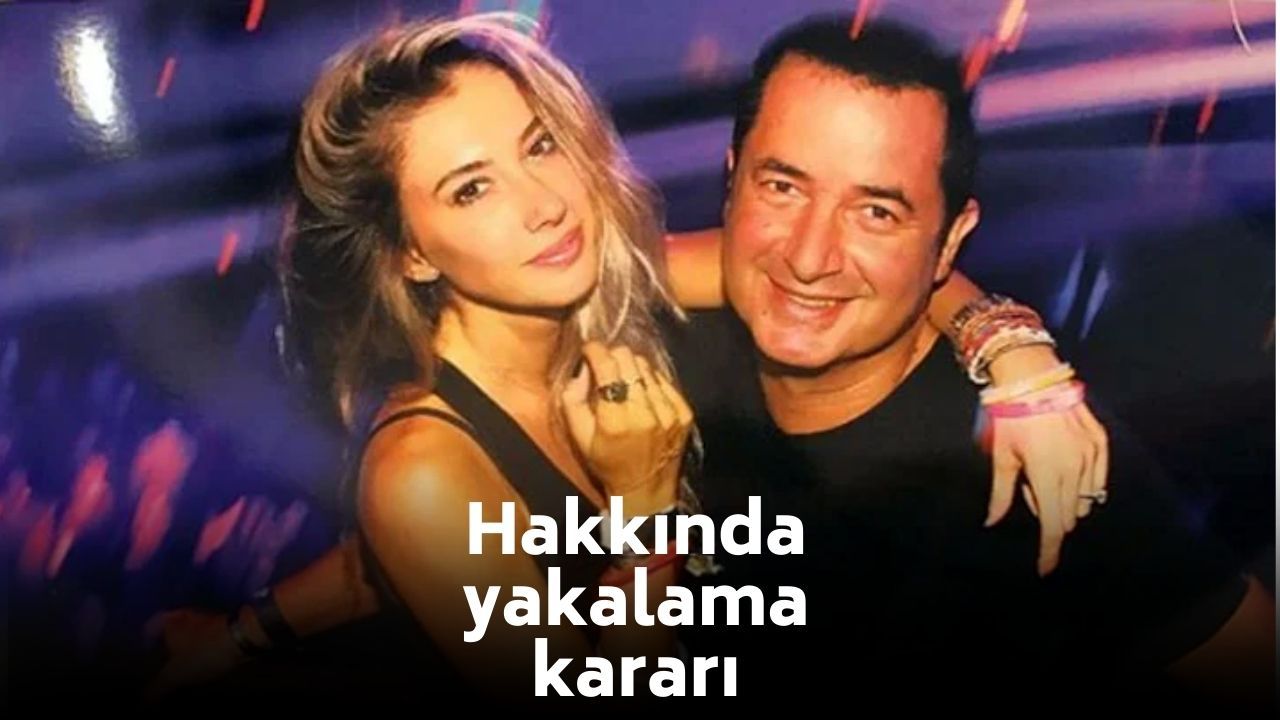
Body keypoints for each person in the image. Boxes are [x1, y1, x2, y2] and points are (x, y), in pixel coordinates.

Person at [148, 13, 1110, 702]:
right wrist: (645, 514)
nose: (544, 204)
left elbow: (842, 268)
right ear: (410, 252)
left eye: (539, 147)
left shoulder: (607, 280)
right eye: (473, 189)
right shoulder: (422, 467)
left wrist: (1016, 358)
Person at [667, 14, 1274, 709]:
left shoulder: (1036, 461)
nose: (809, 256)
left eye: (877, 213)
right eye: (783, 187)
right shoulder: (662, 351)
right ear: (732, 181)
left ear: (951, 242)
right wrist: (992, 327)